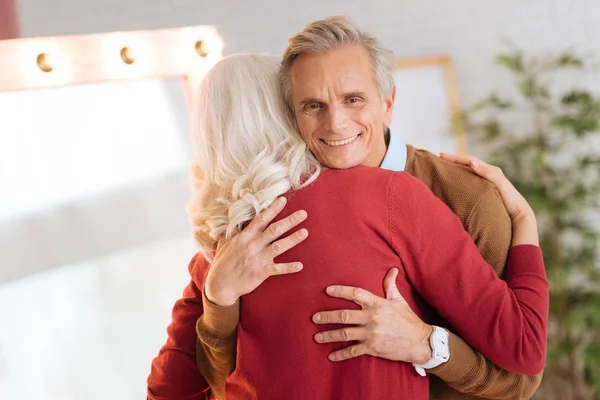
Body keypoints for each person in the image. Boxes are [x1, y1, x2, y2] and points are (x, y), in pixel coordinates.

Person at [148, 17, 547, 400]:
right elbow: (221, 380)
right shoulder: (237, 244)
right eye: (312, 106)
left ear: (388, 102)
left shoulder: (465, 196)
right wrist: (219, 299)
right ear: (291, 118)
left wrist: (426, 345)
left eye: (353, 99)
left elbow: (520, 380)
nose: (336, 124)